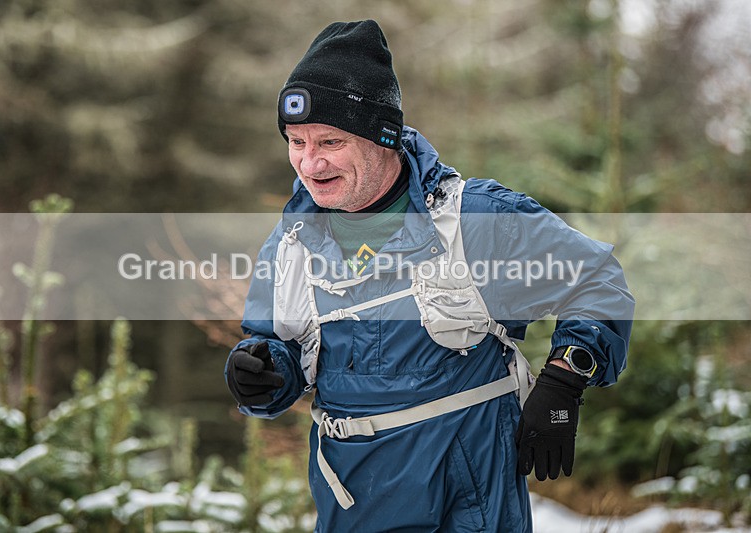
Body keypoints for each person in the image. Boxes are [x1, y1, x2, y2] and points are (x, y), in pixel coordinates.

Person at [225, 19, 633, 532]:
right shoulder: (290, 246)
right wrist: (261, 374)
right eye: (296, 141)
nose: (309, 163)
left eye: (329, 141)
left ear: (383, 137)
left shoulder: (476, 221)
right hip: (352, 502)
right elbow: (279, 350)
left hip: (467, 508)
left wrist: (565, 379)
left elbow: (597, 281)